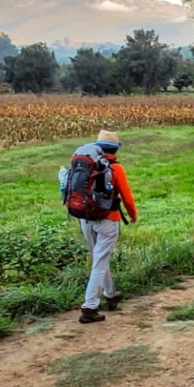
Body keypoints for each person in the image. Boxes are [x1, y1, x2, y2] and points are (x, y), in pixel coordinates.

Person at [62, 129, 138, 324]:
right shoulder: (115, 168)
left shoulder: (86, 163)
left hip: (85, 218)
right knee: (100, 261)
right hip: (108, 219)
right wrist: (132, 215)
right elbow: (127, 197)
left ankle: (111, 294)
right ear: (115, 149)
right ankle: (89, 306)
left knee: (98, 258)